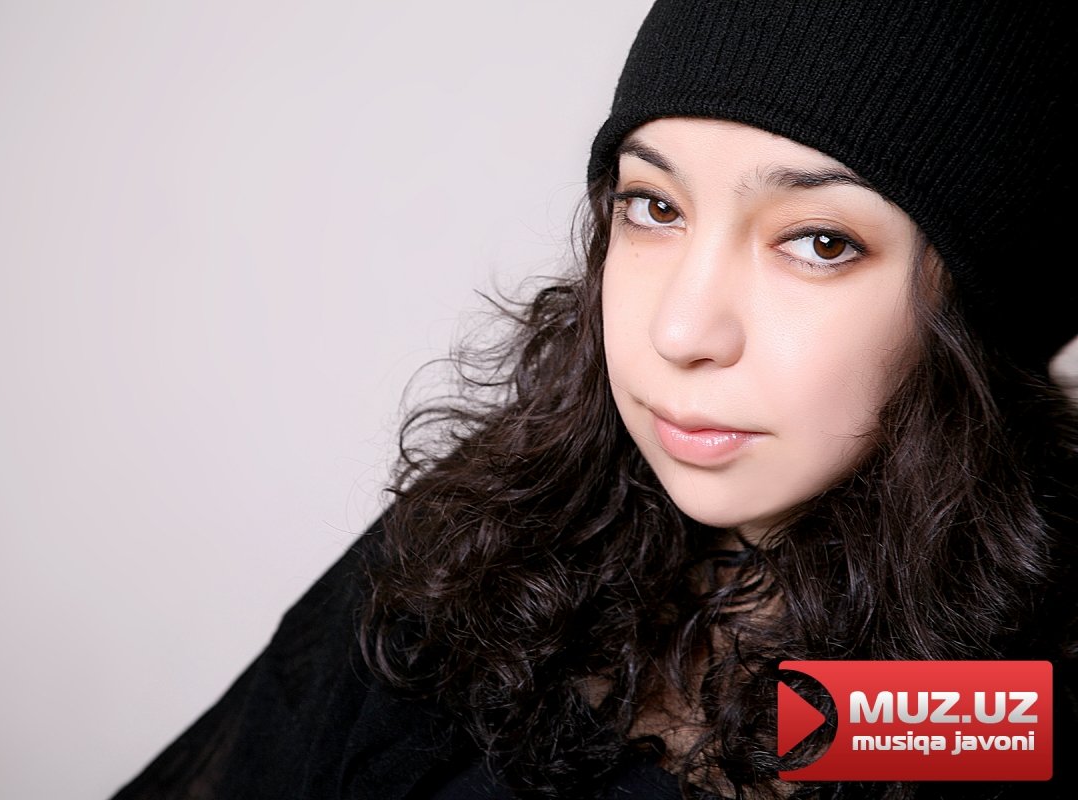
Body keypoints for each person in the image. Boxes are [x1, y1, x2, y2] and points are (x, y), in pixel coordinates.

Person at [111, 0, 1076, 797]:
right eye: (653, 207)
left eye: (819, 242)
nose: (681, 330)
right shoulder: (503, 537)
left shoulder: (1006, 706)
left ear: (980, 315)